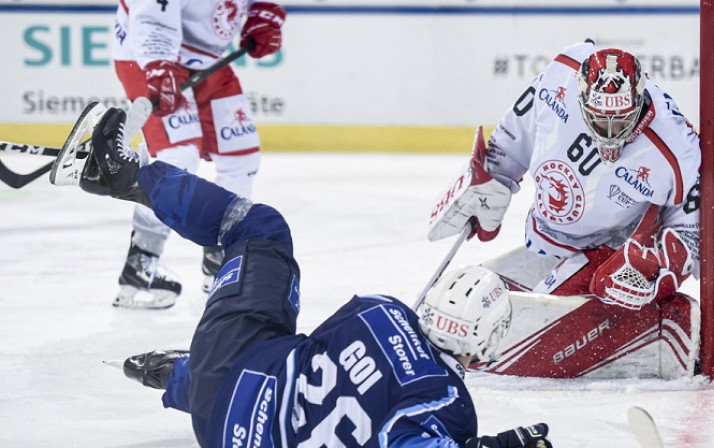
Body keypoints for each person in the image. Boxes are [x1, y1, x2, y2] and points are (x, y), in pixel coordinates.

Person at [74, 107, 553, 448]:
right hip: (222, 435)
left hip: (233, 361)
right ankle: (180, 376)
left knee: (259, 229)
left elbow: (303, 353)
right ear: (488, 346)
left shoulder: (380, 311)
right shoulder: (451, 405)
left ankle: (126, 174)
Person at [427, 40, 701, 379]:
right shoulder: (561, 74)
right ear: (581, 96)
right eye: (600, 120)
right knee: (485, 295)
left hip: (614, 250)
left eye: (622, 121)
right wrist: (492, 179)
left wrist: (652, 274)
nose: (611, 133)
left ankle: (667, 323)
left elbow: (690, 235)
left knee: (527, 334)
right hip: (553, 236)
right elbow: (517, 135)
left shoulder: (677, 149)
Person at [110, 0, 286, 308]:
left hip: (205, 58)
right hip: (149, 56)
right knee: (178, 157)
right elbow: (151, 11)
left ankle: (222, 261)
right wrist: (159, 63)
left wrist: (263, 11)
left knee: (241, 156)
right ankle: (142, 264)